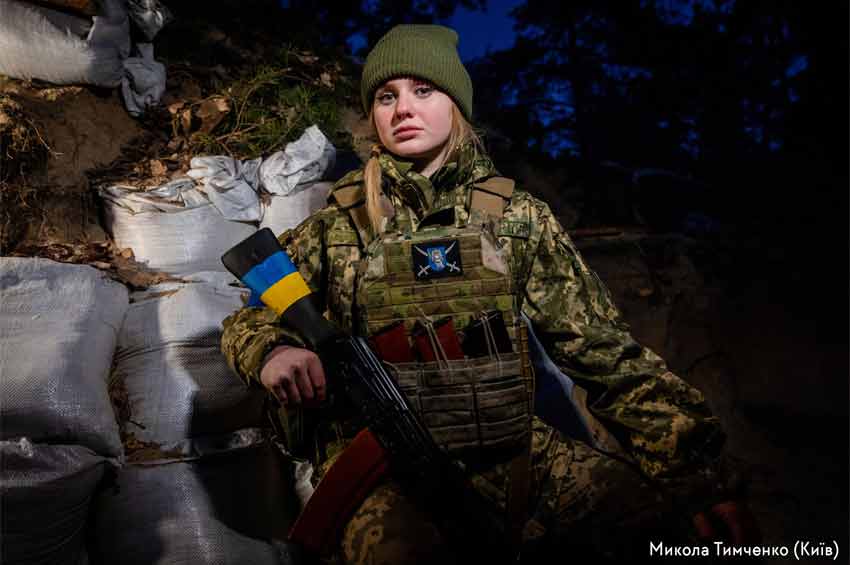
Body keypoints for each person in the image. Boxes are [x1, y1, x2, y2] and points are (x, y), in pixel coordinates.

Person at [222, 24, 753, 564]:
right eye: (387, 96)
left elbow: (603, 353)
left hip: (514, 452)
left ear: (456, 104)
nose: (403, 107)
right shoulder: (338, 227)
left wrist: (698, 474)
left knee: (654, 526)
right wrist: (273, 351)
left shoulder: (517, 218)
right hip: (387, 468)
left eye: (423, 90)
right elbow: (249, 320)